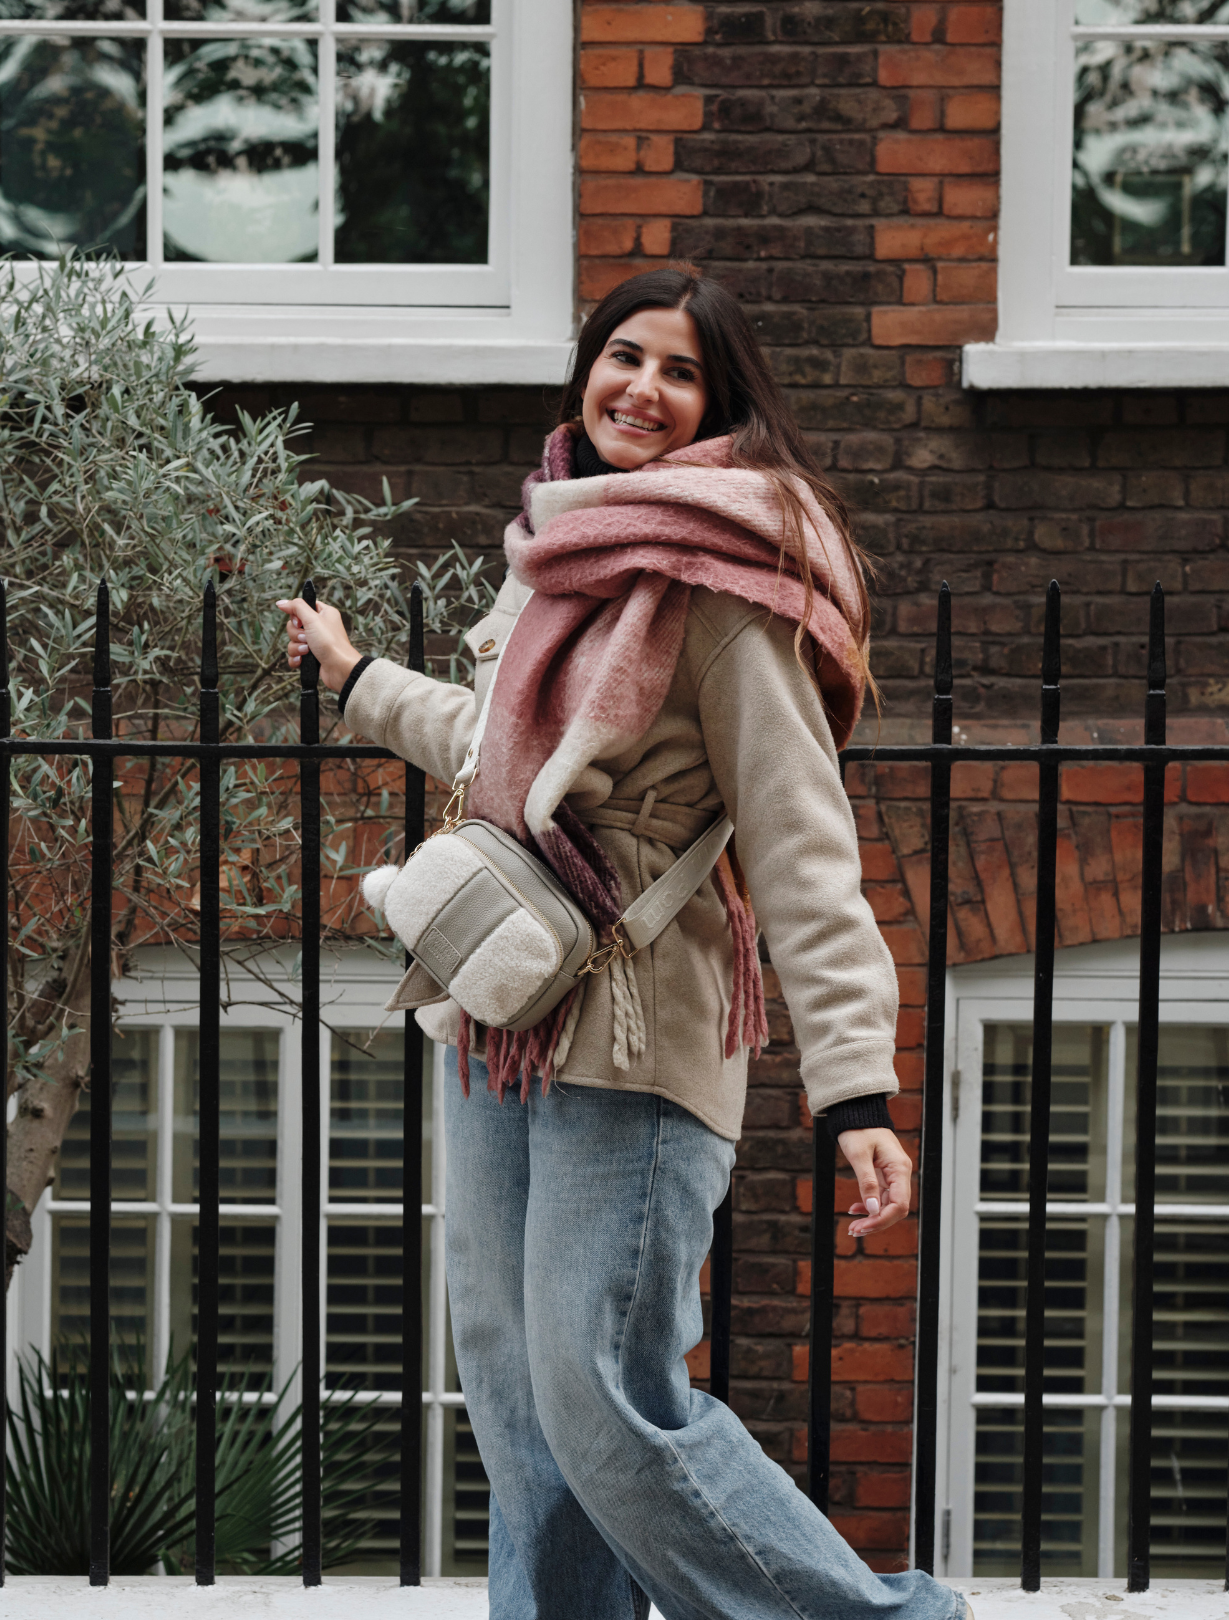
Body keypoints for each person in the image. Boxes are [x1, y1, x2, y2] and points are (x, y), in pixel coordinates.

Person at [277, 266, 969, 1620]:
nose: (643, 390)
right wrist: (360, 681)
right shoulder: (560, 552)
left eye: (681, 371)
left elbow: (802, 842)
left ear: (722, 406)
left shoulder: (728, 586)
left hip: (639, 1032)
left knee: (603, 1393)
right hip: (498, 1016)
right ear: (585, 371)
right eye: (625, 357)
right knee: (518, 1392)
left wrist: (855, 1092)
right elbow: (506, 746)